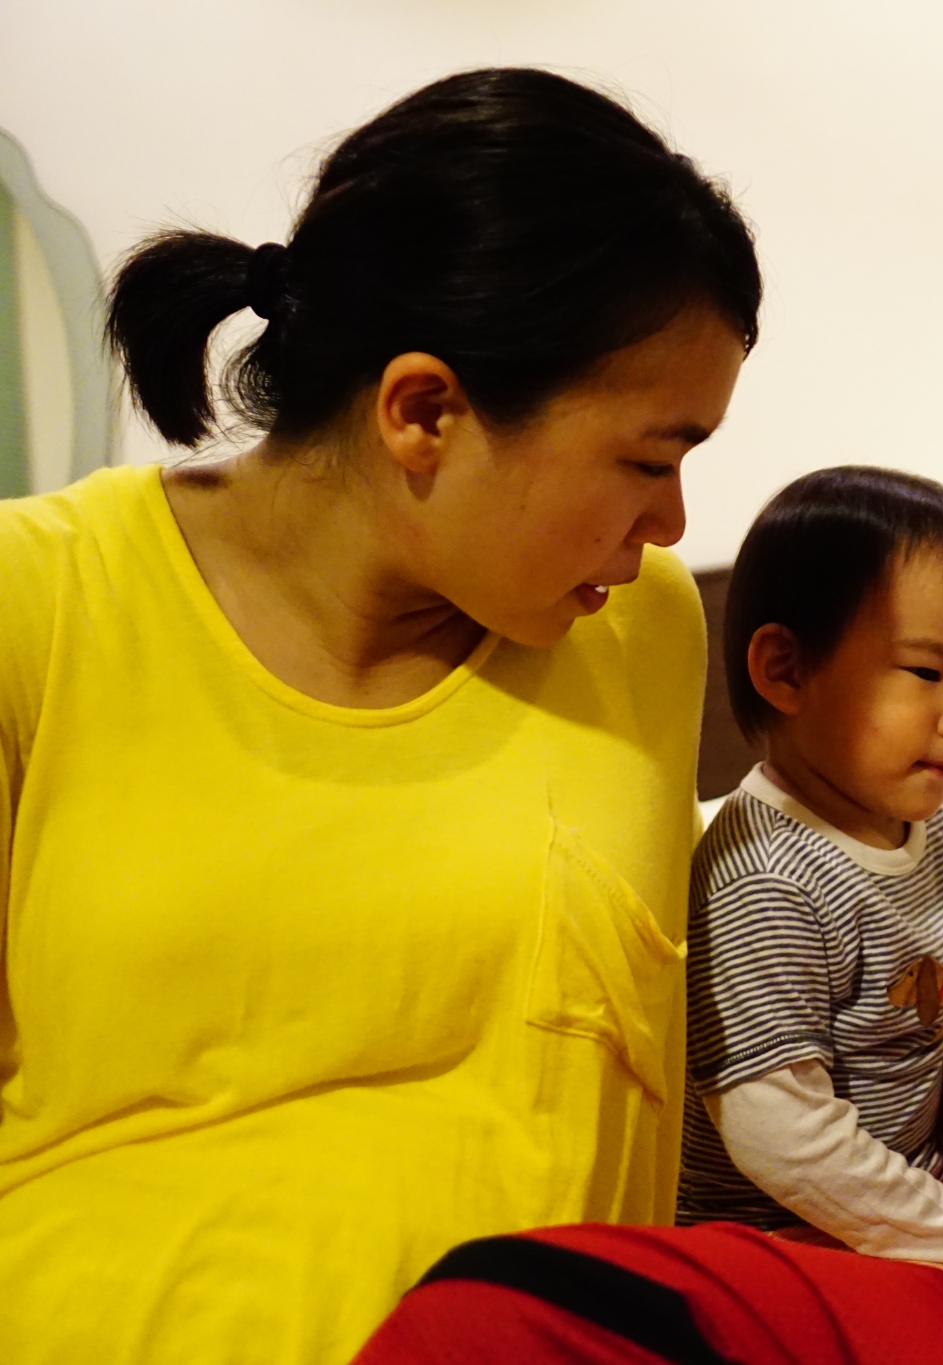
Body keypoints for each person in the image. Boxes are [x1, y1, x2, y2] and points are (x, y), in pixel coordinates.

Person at [0, 68, 760, 1365]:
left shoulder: (641, 628)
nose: (673, 522)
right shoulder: (39, 603)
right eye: (647, 458)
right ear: (423, 412)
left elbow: (801, 931)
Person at [677, 466, 943, 1272]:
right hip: (779, 1233)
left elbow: (931, 974)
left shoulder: (924, 821)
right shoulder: (766, 879)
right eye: (927, 673)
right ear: (787, 670)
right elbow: (781, 1134)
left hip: (907, 1199)